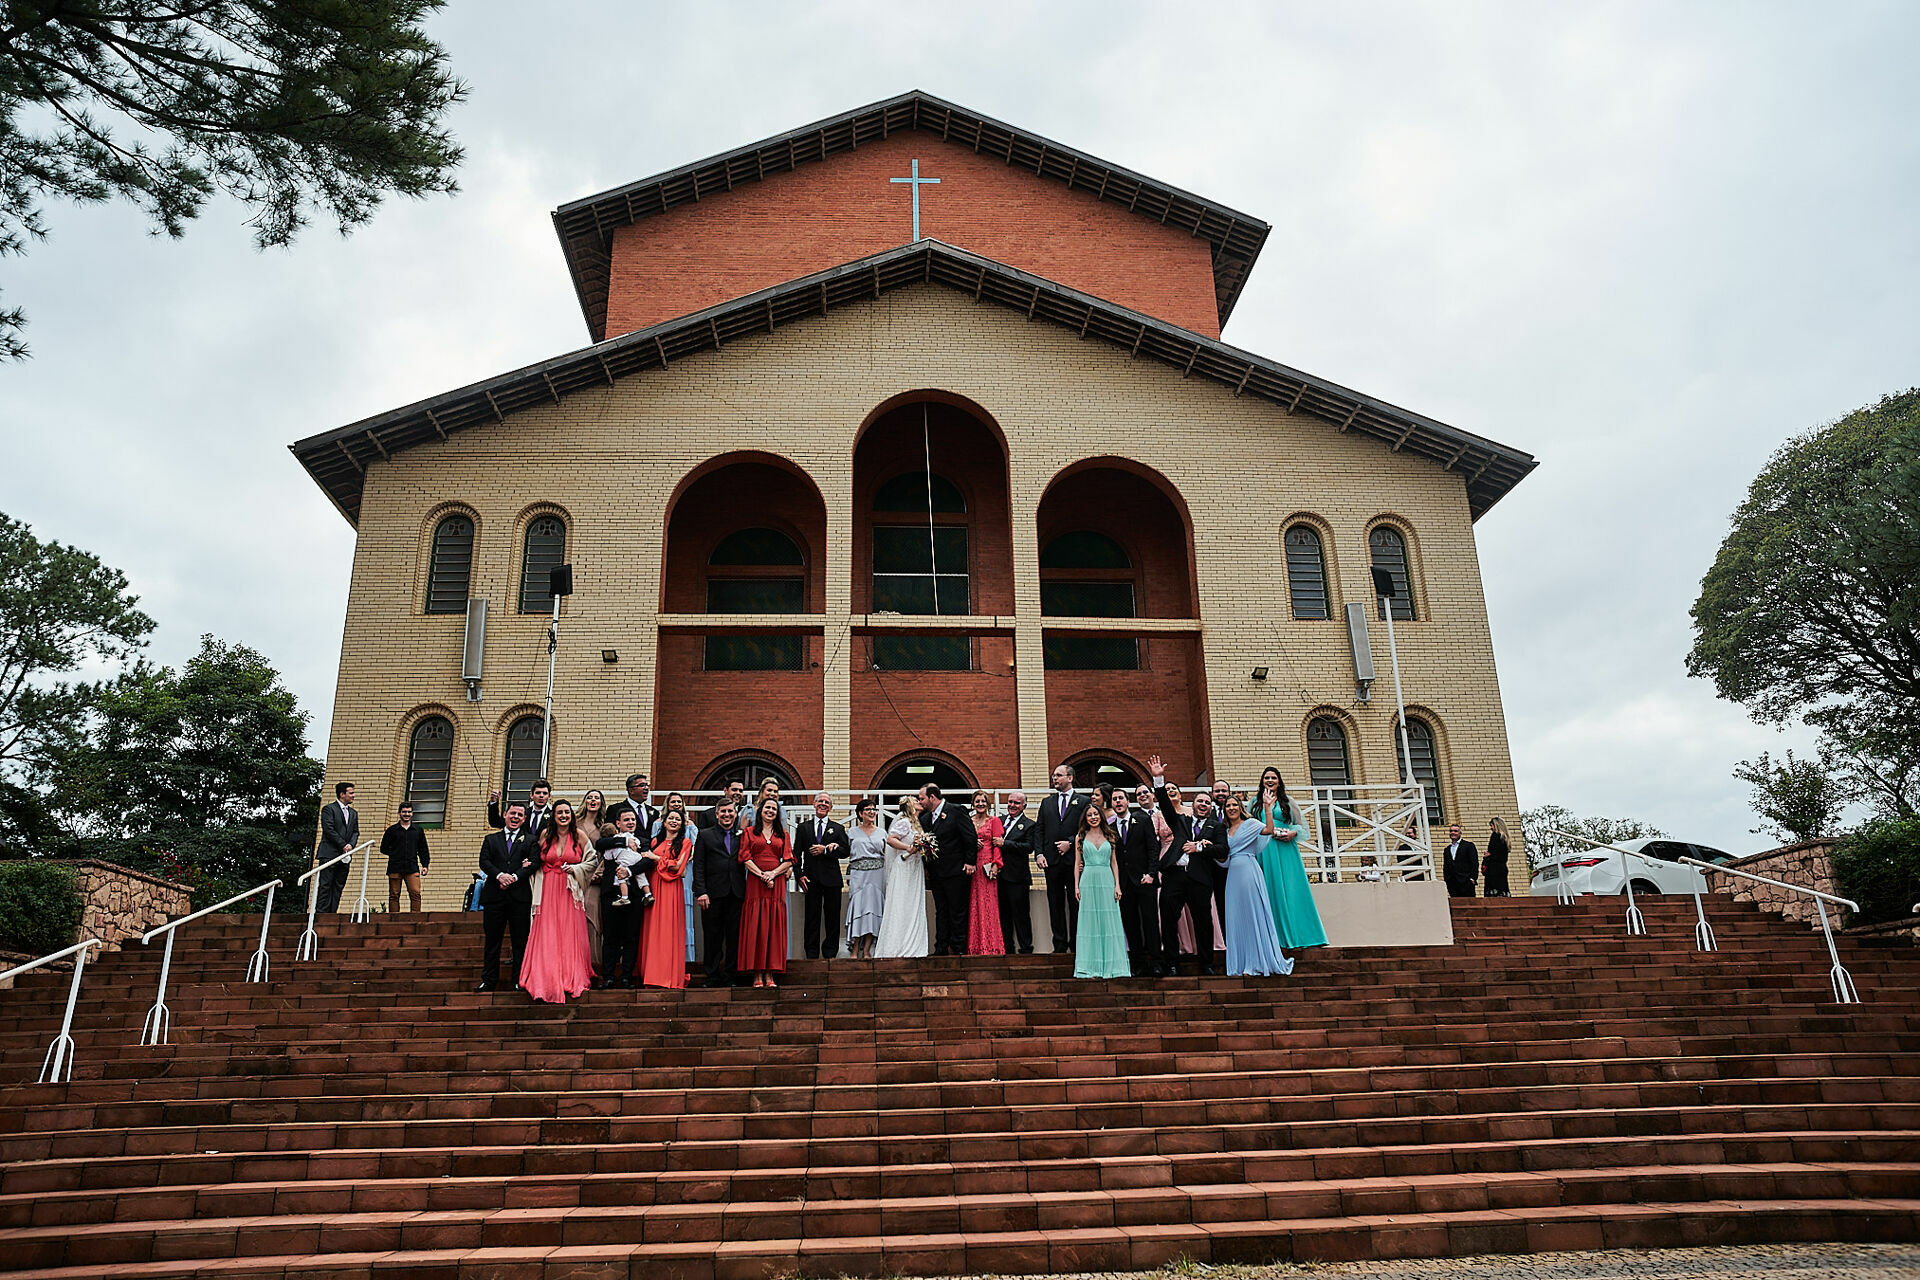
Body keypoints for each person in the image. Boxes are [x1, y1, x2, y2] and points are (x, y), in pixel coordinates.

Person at [1149, 756, 1218, 976]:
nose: (1203, 805)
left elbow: (1223, 850)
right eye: (1200, 801)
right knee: (1169, 921)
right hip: (1174, 876)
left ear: (1210, 807)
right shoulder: (1181, 821)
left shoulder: (1215, 827)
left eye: (1207, 802)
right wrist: (1158, 780)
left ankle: (1206, 964)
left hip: (1199, 879)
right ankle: (1172, 963)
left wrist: (1201, 847)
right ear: (1193, 805)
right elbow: (1165, 806)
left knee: (1203, 922)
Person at [520, 800, 594, 1003]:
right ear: (553, 816)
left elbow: (592, 860)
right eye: (559, 812)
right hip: (547, 888)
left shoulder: (579, 835)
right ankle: (546, 977)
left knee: (569, 932)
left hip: (569, 890)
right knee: (547, 931)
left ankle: (570, 975)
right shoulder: (545, 835)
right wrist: (528, 863)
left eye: (567, 812)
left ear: (571, 815)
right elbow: (536, 858)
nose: (563, 816)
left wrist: (576, 869)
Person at [1251, 767, 1329, 952]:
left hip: (1285, 849)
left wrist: (1292, 833)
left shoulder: (1288, 801)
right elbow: (1249, 825)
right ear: (1262, 781)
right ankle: (1271, 937)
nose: (1270, 781)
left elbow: (1301, 826)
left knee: (1291, 890)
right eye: (1267, 778)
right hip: (1264, 849)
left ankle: (1301, 934)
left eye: (1274, 778)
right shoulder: (1254, 803)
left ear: (1279, 781)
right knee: (1268, 889)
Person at [1221, 792, 1293, 977]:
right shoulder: (1225, 832)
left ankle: (1256, 962)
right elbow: (1223, 857)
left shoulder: (1250, 824)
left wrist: (1268, 808)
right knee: (1236, 917)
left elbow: (1269, 830)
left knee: (1252, 913)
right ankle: (1239, 963)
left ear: (1240, 808)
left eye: (1234, 805)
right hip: (1233, 876)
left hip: (1249, 872)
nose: (1231, 808)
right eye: (1228, 806)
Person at [475, 800, 536, 992]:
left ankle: (519, 980)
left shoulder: (530, 840)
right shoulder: (491, 839)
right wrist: (500, 875)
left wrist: (514, 877)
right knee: (492, 941)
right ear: (505, 815)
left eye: (520, 815)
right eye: (512, 813)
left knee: (520, 941)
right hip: (495, 896)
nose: (515, 817)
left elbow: (533, 863)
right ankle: (488, 980)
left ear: (524, 819)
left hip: (519, 898)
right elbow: (484, 861)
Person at [737, 796, 793, 988]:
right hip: (755, 883)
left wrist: (772, 874)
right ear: (760, 811)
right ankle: (757, 973)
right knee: (757, 925)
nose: (770, 811)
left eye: (774, 809)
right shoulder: (749, 832)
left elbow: (788, 860)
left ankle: (770, 973)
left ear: (778, 814)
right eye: (767, 808)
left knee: (773, 926)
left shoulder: (783, 835)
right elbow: (745, 857)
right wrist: (762, 875)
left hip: (776, 884)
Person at [595, 808, 655, 988]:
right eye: (626, 819)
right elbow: (599, 844)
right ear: (618, 823)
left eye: (633, 819)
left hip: (634, 895)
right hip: (611, 894)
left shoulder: (643, 841)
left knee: (631, 937)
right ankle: (608, 977)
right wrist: (624, 841)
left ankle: (627, 977)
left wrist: (629, 871)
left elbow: (647, 861)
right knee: (610, 937)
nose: (630, 822)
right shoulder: (611, 840)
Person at [917, 784, 978, 957]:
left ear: (932, 797)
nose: (920, 802)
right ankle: (941, 947)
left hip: (956, 871)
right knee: (941, 911)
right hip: (937, 873)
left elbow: (970, 837)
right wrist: (927, 867)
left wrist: (970, 862)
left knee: (957, 910)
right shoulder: (925, 819)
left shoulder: (956, 811)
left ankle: (957, 947)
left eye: (922, 798)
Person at [691, 801, 746, 986]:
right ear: (716, 814)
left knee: (734, 937)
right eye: (723, 811)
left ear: (735, 814)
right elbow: (698, 865)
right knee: (712, 937)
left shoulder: (742, 835)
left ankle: (731, 976)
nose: (727, 814)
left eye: (730, 811)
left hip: (737, 893)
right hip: (712, 895)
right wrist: (701, 891)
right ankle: (712, 976)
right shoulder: (705, 835)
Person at [1107, 786, 1162, 976]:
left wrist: (1151, 873)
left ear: (1127, 801)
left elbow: (1153, 848)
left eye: (1120, 798)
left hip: (1145, 880)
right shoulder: (1110, 828)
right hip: (1124, 884)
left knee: (1150, 922)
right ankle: (1138, 964)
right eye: (1114, 799)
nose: (1118, 802)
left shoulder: (1142, 820)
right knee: (1130, 924)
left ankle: (1156, 962)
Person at [1071, 801, 1128, 979]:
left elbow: (1114, 862)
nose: (1093, 817)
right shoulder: (1080, 837)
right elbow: (1077, 864)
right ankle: (1090, 966)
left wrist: (1117, 885)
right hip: (1088, 880)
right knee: (1089, 923)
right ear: (1085, 818)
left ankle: (1112, 966)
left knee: (1109, 921)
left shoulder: (1110, 835)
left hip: (1107, 879)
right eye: (1089, 815)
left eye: (1096, 814)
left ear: (1101, 816)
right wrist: (1076, 886)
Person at [1034, 765, 1087, 954]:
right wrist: (1039, 854)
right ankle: (1059, 945)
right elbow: (1039, 829)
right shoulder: (1047, 802)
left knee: (1075, 904)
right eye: (1053, 776)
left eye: (1058, 775)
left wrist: (1070, 842)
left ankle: (1076, 945)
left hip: (1074, 862)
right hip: (1051, 862)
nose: (1054, 778)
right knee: (1054, 904)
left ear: (1070, 778)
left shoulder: (1083, 801)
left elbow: (1086, 828)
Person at [639, 809, 694, 989]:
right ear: (663, 822)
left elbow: (678, 866)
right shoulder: (655, 841)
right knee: (653, 929)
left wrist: (655, 857)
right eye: (671, 818)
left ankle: (669, 975)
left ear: (682, 823)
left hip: (671, 888)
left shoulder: (685, 843)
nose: (674, 821)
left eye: (678, 819)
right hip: (655, 886)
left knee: (668, 929)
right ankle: (652, 975)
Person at [795, 792, 851, 960]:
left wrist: (826, 849)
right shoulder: (803, 827)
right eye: (820, 801)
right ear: (814, 804)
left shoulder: (838, 828)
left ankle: (830, 954)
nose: (823, 804)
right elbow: (796, 854)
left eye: (827, 802)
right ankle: (811, 954)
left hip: (832, 879)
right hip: (811, 879)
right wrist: (799, 875)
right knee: (812, 917)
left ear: (831, 807)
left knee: (832, 918)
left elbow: (846, 851)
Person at [875, 795, 930, 958]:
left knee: (914, 904)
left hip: (916, 867)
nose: (919, 802)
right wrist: (908, 848)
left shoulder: (917, 824)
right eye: (916, 801)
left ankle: (914, 945)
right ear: (910, 806)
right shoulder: (904, 822)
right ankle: (895, 946)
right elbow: (890, 839)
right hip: (904, 865)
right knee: (901, 903)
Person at [844, 796, 887, 959]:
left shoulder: (882, 832)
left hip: (877, 874)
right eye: (868, 809)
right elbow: (844, 850)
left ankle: (867, 949)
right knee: (859, 908)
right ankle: (855, 949)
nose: (871, 812)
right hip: (858, 875)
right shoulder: (851, 832)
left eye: (873, 809)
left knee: (873, 910)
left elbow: (888, 853)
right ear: (860, 813)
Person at [574, 788, 609, 982]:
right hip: (574, 875)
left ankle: (593, 964)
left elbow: (607, 853)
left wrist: (600, 873)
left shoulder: (603, 826)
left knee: (591, 915)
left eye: (597, 798)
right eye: (590, 797)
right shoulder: (575, 823)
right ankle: (574, 963)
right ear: (585, 801)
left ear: (601, 803)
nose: (593, 800)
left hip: (595, 878)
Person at [996, 790, 1037, 954]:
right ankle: (1007, 949)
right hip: (1000, 876)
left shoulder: (1029, 825)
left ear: (1024, 806)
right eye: (1010, 802)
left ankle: (1026, 949)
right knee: (1003, 915)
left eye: (1017, 803)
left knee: (1021, 915)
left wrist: (1005, 844)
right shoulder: (1000, 821)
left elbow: (1029, 847)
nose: (1012, 805)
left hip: (1018, 877)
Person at [966, 791, 1005, 956]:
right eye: (977, 801)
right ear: (973, 804)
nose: (980, 804)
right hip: (972, 866)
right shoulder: (969, 821)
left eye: (983, 801)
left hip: (987, 867)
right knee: (973, 904)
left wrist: (996, 864)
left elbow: (997, 845)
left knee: (988, 904)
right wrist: (971, 843)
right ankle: (975, 946)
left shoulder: (994, 821)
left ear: (988, 804)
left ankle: (991, 946)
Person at [381, 802, 431, 914]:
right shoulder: (392, 830)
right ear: (399, 813)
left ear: (412, 813)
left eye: (409, 812)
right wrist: (395, 854)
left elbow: (423, 849)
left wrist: (425, 865)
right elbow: (383, 848)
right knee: (394, 895)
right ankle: (394, 919)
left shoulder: (418, 830)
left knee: (415, 893)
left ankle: (415, 918)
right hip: (395, 867)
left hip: (412, 867)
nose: (406, 814)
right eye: (404, 812)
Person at [316, 782, 358, 913]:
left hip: (344, 856)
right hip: (329, 853)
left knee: (338, 885)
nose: (353, 795)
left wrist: (351, 845)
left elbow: (355, 832)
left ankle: (332, 914)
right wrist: (343, 844)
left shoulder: (353, 813)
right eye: (351, 793)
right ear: (342, 794)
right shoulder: (329, 809)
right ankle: (321, 914)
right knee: (326, 884)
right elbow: (329, 829)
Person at [489, 780, 555, 844]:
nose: (541, 796)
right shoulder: (522, 813)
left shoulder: (553, 815)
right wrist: (493, 803)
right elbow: (495, 823)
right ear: (531, 795)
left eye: (545, 793)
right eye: (538, 793)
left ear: (549, 796)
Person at [1443, 823, 1479, 897]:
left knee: (1469, 903)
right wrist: (1447, 880)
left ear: (1460, 833)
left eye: (1455, 831)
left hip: (1466, 882)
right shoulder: (1447, 849)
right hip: (1452, 884)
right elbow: (1446, 866)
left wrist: (1472, 878)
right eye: (1451, 831)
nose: (1453, 833)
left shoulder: (1468, 846)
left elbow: (1474, 863)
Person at [1483, 818, 1511, 896]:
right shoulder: (1505, 838)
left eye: (1492, 825)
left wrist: (1489, 855)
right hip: (1502, 868)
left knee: (1493, 893)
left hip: (1494, 870)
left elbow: (1496, 853)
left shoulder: (1495, 836)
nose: (1491, 828)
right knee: (1502, 891)